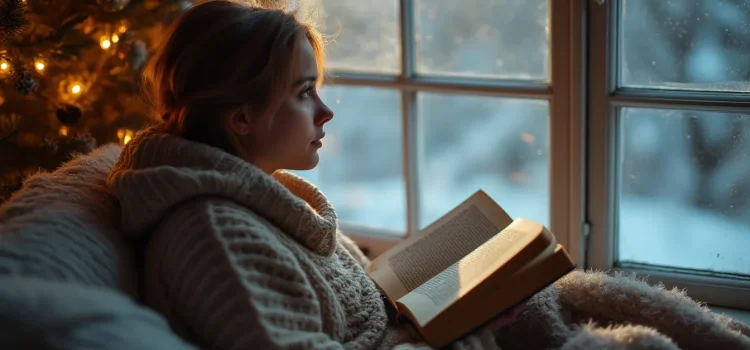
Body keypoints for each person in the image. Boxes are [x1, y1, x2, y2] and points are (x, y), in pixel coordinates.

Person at [106, 1, 521, 349]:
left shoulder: (262, 196)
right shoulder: (215, 236)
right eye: (304, 92)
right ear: (241, 117)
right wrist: (471, 337)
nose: (326, 113)